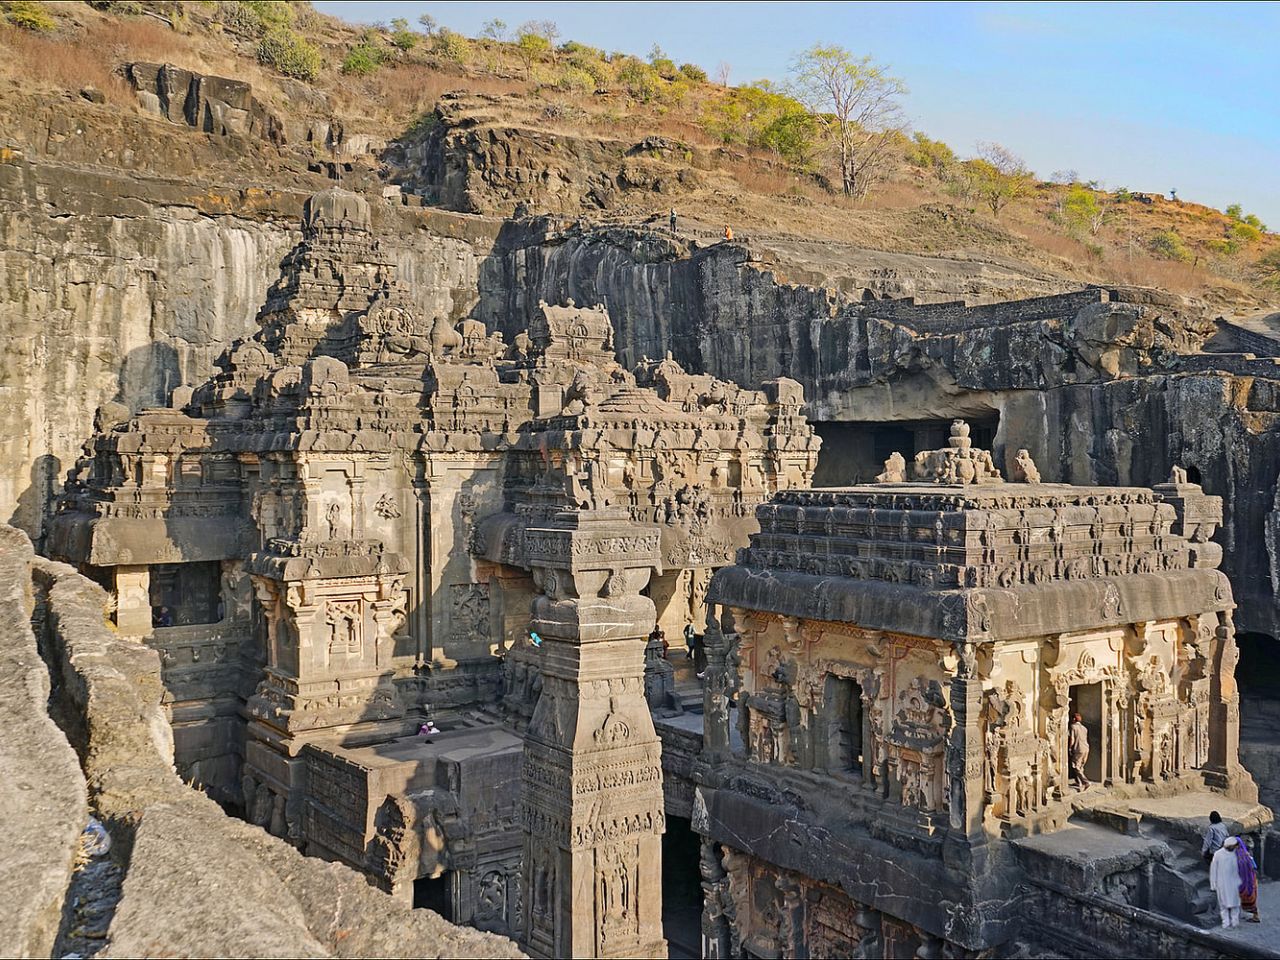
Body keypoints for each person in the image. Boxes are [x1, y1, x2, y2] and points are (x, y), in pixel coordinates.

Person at [1210, 836, 1243, 928]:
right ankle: (1226, 922)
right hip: (1222, 883)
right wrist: (1213, 884)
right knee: (1223, 905)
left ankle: (1235, 922)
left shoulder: (1236, 854)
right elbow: (1213, 870)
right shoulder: (1218, 854)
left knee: (1235, 904)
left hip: (1234, 882)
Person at [1237, 835, 1261, 923]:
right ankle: (1255, 915)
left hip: (1244, 881)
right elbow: (1254, 866)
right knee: (1251, 898)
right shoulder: (1247, 854)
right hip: (1251, 880)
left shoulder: (1237, 855)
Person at [1068, 713, 1090, 790]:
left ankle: (1085, 782)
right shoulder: (1084, 728)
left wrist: (1070, 748)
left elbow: (1072, 739)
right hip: (1086, 748)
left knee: (1076, 766)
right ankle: (1080, 783)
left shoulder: (1073, 727)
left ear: (1074, 719)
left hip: (1078, 749)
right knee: (1081, 766)